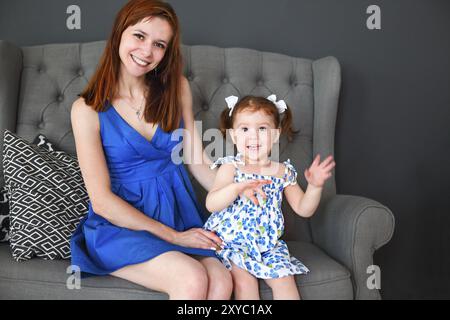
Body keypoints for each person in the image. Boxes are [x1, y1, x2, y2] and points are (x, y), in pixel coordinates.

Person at [70, 0, 232, 300]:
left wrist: (240, 185)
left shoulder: (176, 87)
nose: (146, 52)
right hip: (120, 226)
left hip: (178, 215)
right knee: (192, 278)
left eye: (159, 44)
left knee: (222, 280)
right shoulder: (86, 109)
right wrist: (173, 236)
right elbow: (102, 201)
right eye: (139, 36)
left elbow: (199, 164)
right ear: (120, 32)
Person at [203, 95, 336, 300]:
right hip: (232, 242)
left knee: (285, 282)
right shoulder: (231, 167)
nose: (254, 136)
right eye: (244, 129)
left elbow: (303, 208)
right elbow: (211, 204)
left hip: (268, 245)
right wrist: (236, 188)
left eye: (262, 129)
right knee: (245, 283)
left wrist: (315, 186)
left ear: (275, 135)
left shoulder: (283, 172)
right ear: (233, 136)